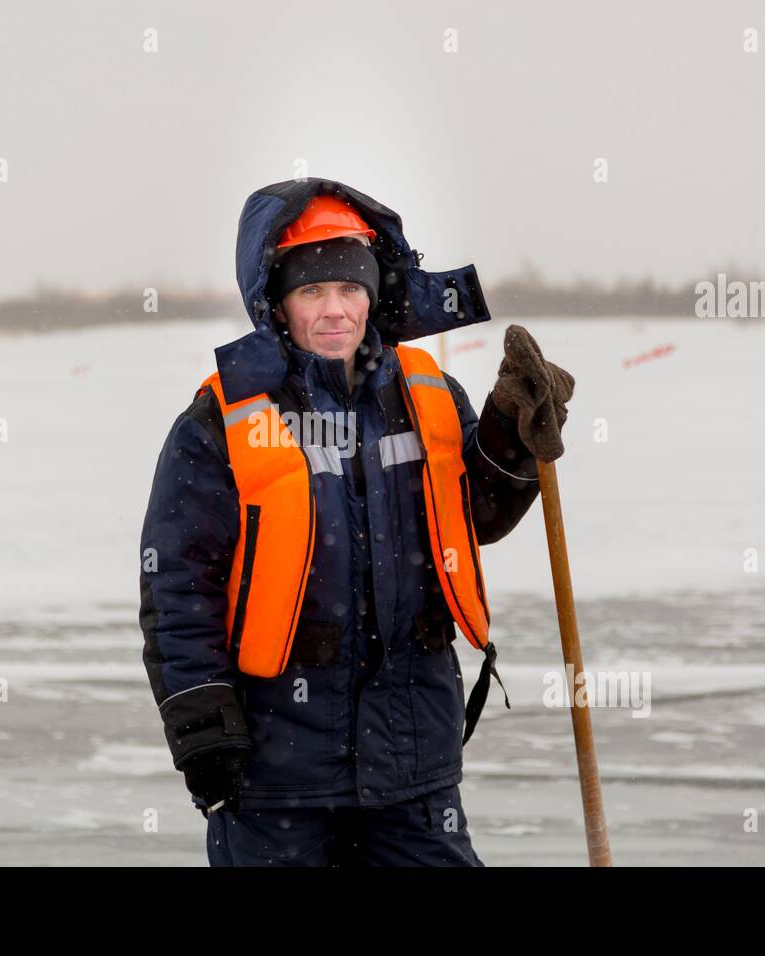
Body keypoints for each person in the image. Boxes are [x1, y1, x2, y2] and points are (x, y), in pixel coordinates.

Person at [139, 178, 574, 866]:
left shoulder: (427, 396)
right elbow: (178, 590)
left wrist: (511, 436)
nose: (335, 310)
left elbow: (473, 519)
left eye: (350, 288)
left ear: (375, 294)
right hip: (275, 769)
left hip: (411, 763)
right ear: (277, 303)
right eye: (313, 291)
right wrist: (203, 726)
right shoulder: (219, 422)